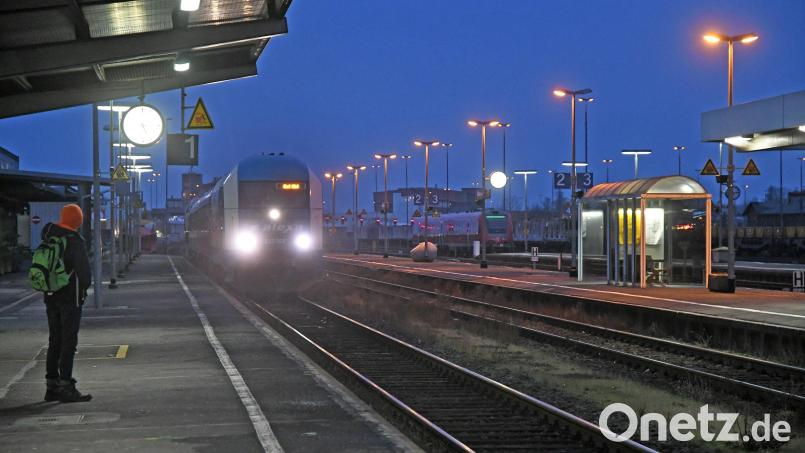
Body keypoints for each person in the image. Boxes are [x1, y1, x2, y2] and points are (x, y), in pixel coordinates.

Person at [42, 204, 92, 403]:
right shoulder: (74, 241)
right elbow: (85, 275)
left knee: (54, 339)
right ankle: (66, 386)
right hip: (70, 298)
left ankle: (51, 386)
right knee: (68, 341)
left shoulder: (49, 235)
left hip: (50, 295)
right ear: (78, 221)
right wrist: (83, 291)